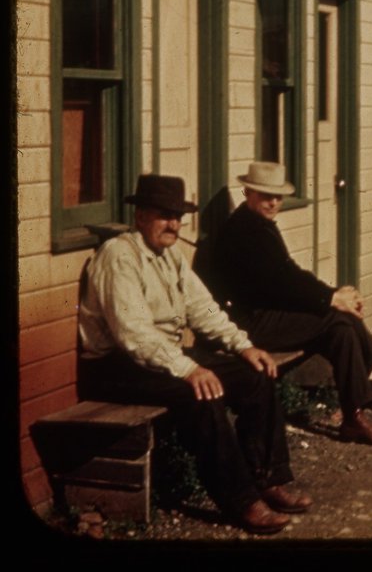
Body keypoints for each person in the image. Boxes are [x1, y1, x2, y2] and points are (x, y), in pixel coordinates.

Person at [78, 174, 312, 535]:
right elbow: (134, 335)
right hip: (115, 366)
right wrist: (189, 369)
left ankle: (268, 480)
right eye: (163, 215)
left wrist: (243, 345)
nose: (173, 223)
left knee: (254, 373)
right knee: (200, 393)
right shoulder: (119, 256)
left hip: (159, 357)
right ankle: (242, 502)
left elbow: (202, 307)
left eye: (178, 215)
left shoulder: (169, 254)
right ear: (140, 216)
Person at [202, 162, 372, 448]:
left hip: (269, 313)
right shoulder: (244, 231)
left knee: (340, 329)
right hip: (246, 323)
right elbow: (284, 281)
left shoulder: (258, 224)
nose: (273, 203)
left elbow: (290, 274)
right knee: (337, 318)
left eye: (277, 197)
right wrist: (333, 299)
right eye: (265, 196)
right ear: (248, 193)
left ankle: (354, 417)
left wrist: (333, 295)